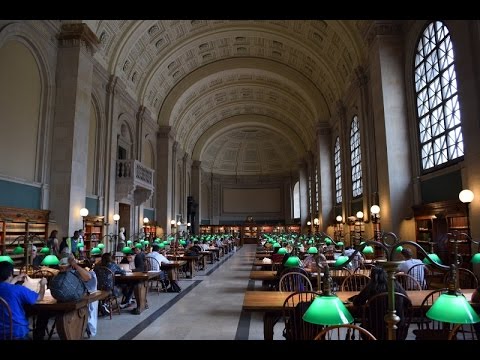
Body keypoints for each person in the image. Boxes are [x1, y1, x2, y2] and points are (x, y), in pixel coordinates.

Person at [33, 255, 98, 339]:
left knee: (46, 313)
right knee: (44, 312)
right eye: (61, 268)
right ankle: (39, 336)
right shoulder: (62, 274)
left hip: (68, 302)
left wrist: (75, 265)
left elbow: (88, 277)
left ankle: (39, 335)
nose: (62, 269)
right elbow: (88, 277)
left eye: (63, 267)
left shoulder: (71, 274)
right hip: (65, 302)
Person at [352, 266, 409, 340]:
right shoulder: (396, 285)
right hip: (398, 329)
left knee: (364, 324)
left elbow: (357, 302)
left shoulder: (371, 287)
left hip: (375, 330)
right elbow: (407, 303)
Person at [0, 260, 47, 340]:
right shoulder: (18, 289)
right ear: (10, 274)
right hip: (17, 332)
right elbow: (39, 298)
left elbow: (6, 287)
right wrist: (42, 285)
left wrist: (15, 279)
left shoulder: (11, 289)